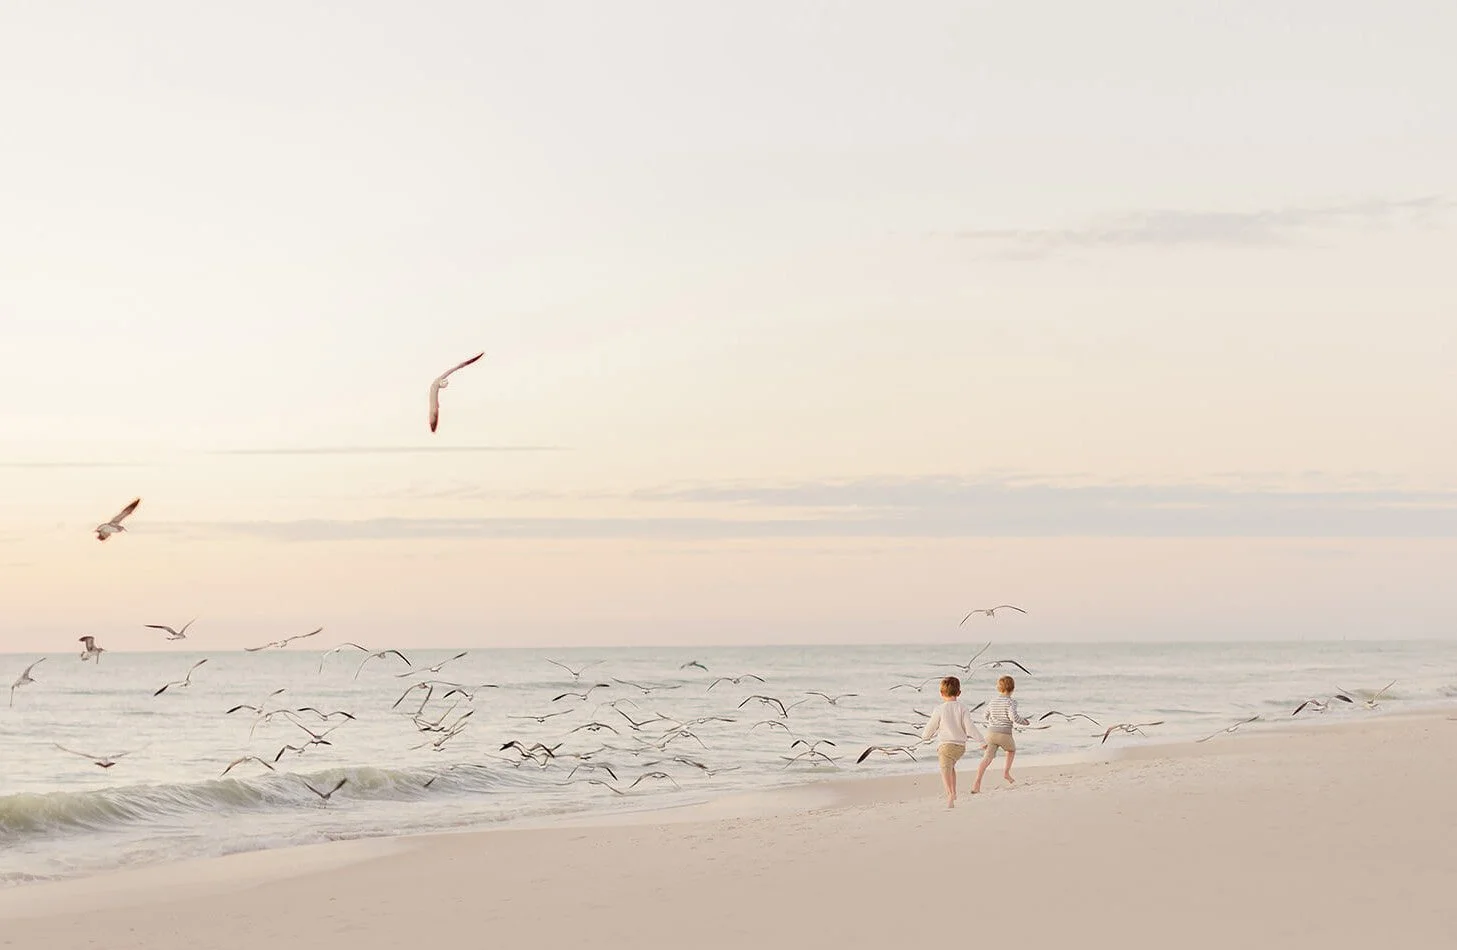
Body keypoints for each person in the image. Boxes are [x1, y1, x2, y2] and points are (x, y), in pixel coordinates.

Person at [920, 675, 986, 808]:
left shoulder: (939, 709)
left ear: (941, 693)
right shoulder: (963, 708)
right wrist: (982, 741)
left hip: (945, 746)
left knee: (945, 770)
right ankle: (954, 792)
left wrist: (925, 737)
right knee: (951, 767)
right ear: (959, 693)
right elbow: (970, 728)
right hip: (960, 748)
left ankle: (950, 795)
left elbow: (931, 727)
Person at [972, 674, 1029, 794]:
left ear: (998, 688)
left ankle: (977, 783)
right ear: (1013, 689)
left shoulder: (992, 701)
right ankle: (1006, 773)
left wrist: (993, 720)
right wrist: (1024, 722)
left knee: (987, 758)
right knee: (1011, 750)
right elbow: (1013, 717)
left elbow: (985, 715)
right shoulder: (1011, 702)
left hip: (991, 733)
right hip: (1005, 734)